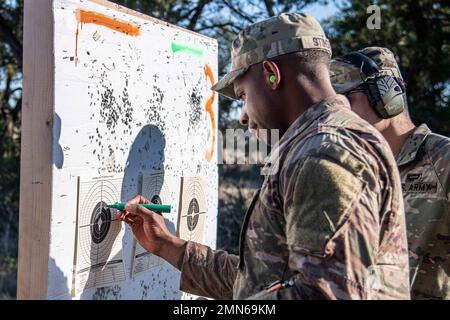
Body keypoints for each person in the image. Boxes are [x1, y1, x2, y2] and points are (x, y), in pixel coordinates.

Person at [118, 13, 410, 299]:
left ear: (271, 74)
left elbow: (322, 293)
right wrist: (168, 246)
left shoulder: (324, 153)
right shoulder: (317, 143)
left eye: (243, 95)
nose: (243, 117)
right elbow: (267, 278)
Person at [330, 46, 450, 299]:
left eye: (346, 99)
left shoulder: (444, 160)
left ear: (386, 95)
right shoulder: (354, 170)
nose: (337, 112)